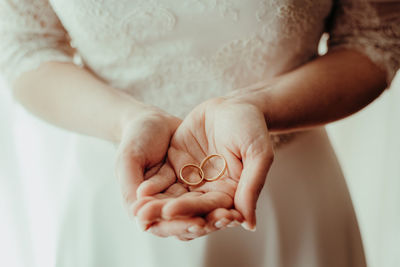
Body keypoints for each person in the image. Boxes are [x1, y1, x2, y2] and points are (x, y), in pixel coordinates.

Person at [0, 0, 399, 266]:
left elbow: (374, 39)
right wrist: (127, 121)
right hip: (118, 183)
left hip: (283, 188)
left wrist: (256, 106)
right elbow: (27, 46)